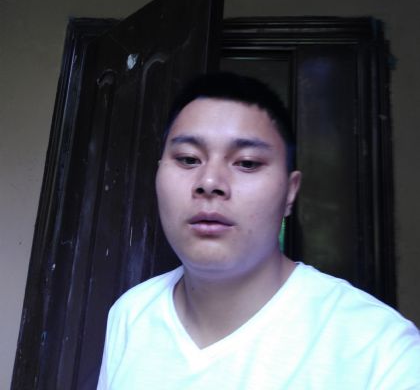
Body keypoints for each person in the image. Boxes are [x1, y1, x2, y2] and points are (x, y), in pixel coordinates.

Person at [97, 72, 420, 389]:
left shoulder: (379, 349)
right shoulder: (131, 314)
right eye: (188, 159)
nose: (209, 182)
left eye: (247, 163)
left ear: (290, 192)